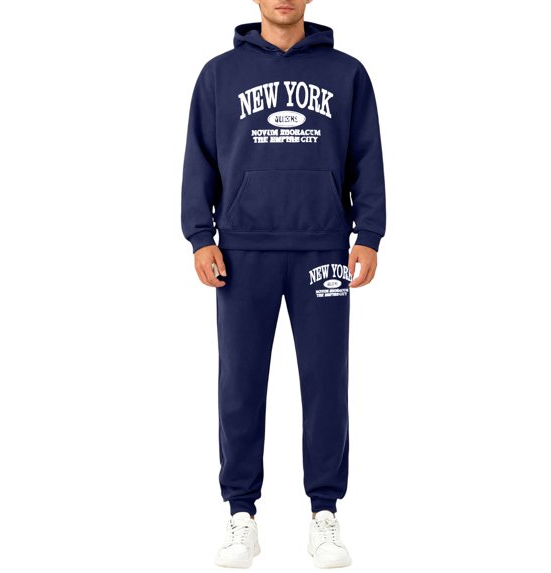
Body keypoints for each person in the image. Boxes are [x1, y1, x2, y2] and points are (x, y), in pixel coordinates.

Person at [180, 0, 386, 568]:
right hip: (242, 250)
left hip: (323, 247)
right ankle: (241, 514)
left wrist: (368, 234)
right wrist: (200, 236)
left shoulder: (347, 73)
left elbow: (367, 156)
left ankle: (324, 512)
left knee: (326, 383)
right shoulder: (219, 74)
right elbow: (199, 159)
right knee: (240, 385)